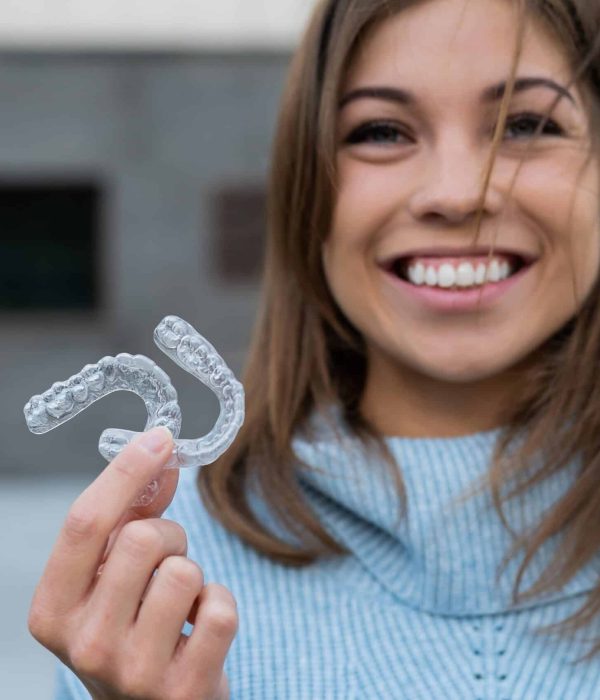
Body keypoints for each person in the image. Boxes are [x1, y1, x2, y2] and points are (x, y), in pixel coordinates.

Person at [28, 0, 600, 697]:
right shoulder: (153, 586)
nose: (456, 194)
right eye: (382, 131)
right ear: (308, 189)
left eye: (527, 124)